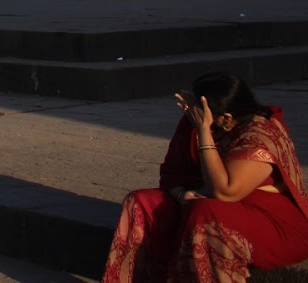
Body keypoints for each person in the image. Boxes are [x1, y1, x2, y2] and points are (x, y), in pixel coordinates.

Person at [102, 72, 308, 282]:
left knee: (206, 212)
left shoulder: (261, 135)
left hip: (270, 222)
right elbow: (171, 174)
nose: (193, 115)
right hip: (194, 201)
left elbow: (224, 191)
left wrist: (204, 132)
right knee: (140, 202)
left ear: (226, 118)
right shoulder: (195, 123)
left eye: (201, 113)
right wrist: (182, 195)